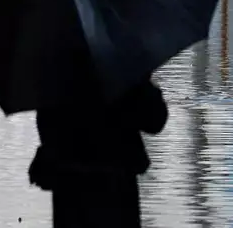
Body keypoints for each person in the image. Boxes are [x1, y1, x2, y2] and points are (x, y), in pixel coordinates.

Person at [28, 69, 169, 228]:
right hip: (117, 184)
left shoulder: (57, 70)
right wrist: (146, 82)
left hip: (70, 187)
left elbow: (46, 129)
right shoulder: (122, 69)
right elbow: (155, 121)